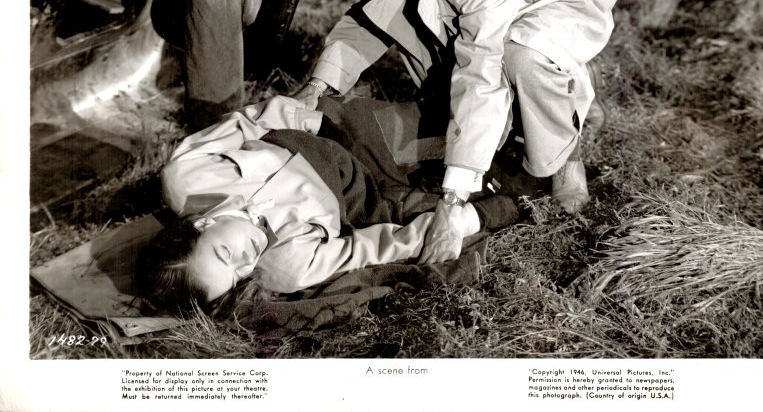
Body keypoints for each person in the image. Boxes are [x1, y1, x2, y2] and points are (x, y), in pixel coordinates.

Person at [293, 0, 619, 265]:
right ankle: (560, 97)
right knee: (451, 94)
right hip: (488, 20)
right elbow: (368, 21)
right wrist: (317, 86)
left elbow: (480, 74)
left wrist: (452, 202)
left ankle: (566, 155)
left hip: (558, 6)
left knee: (521, 56)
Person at [135, 95, 520, 314]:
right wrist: (469, 218)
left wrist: (314, 121)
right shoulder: (286, 266)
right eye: (237, 276)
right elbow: (378, 247)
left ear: (201, 225)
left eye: (225, 254)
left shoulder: (187, 180)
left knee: (474, 115)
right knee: (507, 173)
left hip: (345, 129)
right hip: (374, 187)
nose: (246, 261)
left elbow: (247, 121)